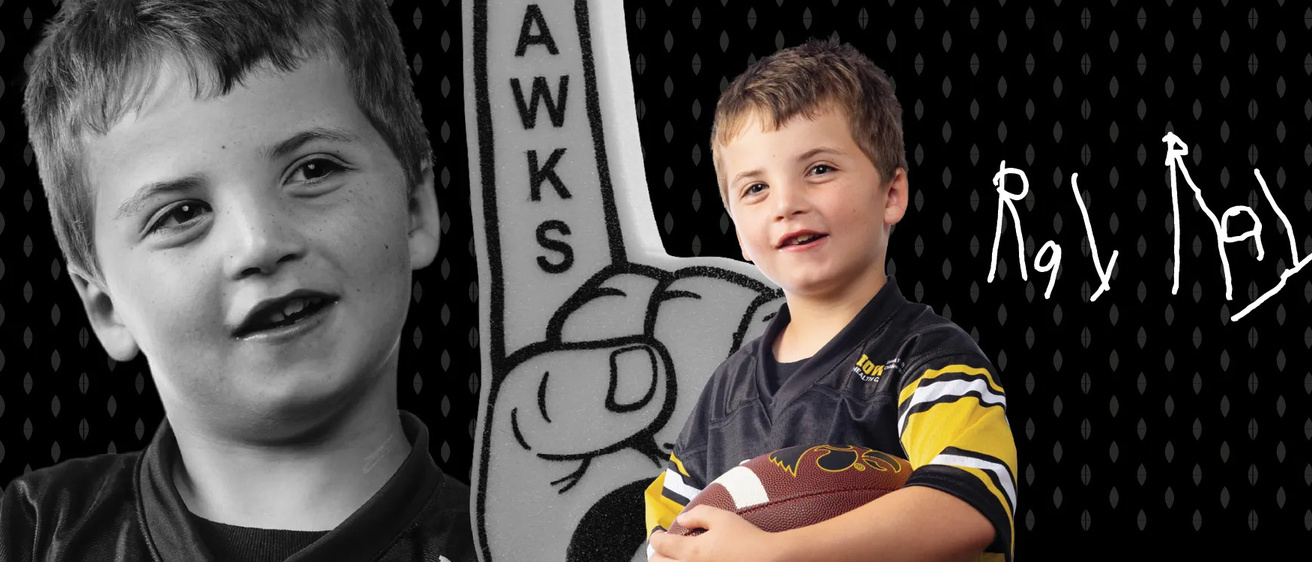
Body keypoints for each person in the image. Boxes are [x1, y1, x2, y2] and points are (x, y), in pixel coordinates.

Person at [0, 0, 474, 560]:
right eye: (181, 214)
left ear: (415, 208)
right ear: (105, 307)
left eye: (313, 170)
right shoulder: (32, 533)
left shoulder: (525, 540)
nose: (260, 243)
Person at [644, 39, 1017, 561]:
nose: (787, 204)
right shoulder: (724, 394)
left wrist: (776, 552)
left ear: (891, 194)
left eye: (819, 169)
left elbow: (967, 504)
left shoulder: (930, 358)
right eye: (755, 189)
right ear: (739, 236)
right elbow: (668, 542)